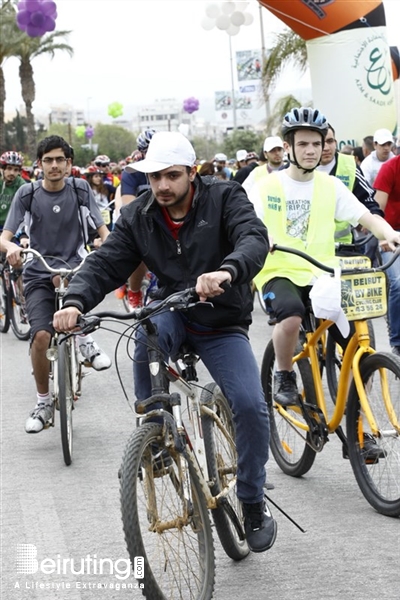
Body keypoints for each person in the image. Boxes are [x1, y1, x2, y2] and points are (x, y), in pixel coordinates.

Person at [53, 131, 277, 554]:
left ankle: (250, 500)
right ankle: (154, 433)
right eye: (154, 177)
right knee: (144, 338)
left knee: (249, 405)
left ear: (192, 174)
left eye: (172, 176)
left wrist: (228, 271)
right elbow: (107, 261)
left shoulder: (225, 197)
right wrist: (75, 300)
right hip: (171, 309)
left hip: (220, 318)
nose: (162, 186)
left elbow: (252, 238)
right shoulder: (139, 215)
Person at [249, 107, 400, 408]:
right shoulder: (265, 187)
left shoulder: (331, 186)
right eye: (303, 144)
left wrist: (389, 233)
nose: (311, 150)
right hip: (279, 270)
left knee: (357, 344)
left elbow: (365, 215)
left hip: (322, 272)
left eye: (316, 144)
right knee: (291, 315)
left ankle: (360, 426)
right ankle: (284, 373)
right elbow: (247, 222)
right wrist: (260, 235)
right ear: (288, 146)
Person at [0, 135, 112, 434]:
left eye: (59, 159)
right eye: (47, 160)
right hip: (38, 272)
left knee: (73, 291)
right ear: (39, 165)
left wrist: (104, 242)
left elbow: (102, 230)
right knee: (39, 336)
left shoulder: (80, 189)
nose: (53, 165)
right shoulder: (27, 193)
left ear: (69, 163)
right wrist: (10, 248)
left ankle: (83, 340)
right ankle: (43, 401)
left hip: (74, 269)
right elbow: (5, 236)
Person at [316, 124, 383, 262]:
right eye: (320, 143)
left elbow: (368, 200)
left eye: (330, 141)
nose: (326, 148)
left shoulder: (349, 165)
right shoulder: (298, 168)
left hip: (345, 248)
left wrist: (377, 224)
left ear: (336, 141)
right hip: (309, 251)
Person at [116, 128, 157, 308]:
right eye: (148, 150)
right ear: (142, 152)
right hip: (140, 220)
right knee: (141, 251)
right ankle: (134, 291)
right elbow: (128, 205)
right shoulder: (132, 172)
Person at [373, 154, 400, 356]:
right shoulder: (390, 168)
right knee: (398, 283)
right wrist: (382, 235)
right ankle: (397, 340)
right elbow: (377, 209)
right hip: (391, 235)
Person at [0, 151, 26, 233]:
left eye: (16, 170)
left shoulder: (22, 185)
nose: (12, 173)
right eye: (9, 168)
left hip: (11, 227)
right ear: (2, 169)